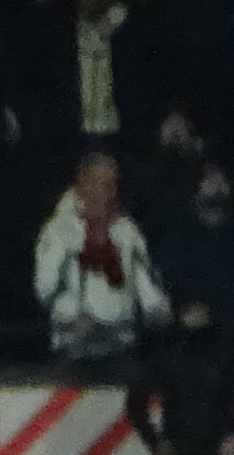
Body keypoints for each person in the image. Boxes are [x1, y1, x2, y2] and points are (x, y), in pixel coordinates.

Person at [35, 145, 169, 374]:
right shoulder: (59, 230)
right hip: (74, 349)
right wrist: (73, 316)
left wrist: (158, 309)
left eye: (112, 184)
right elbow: (45, 288)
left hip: (120, 347)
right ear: (82, 184)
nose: (106, 191)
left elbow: (145, 282)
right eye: (99, 182)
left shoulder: (127, 231)